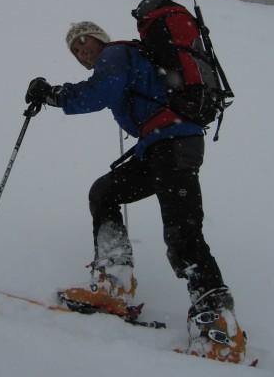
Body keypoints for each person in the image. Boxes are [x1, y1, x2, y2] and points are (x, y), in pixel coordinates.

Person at [25, 20, 246, 363]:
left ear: (101, 40)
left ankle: (219, 327)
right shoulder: (126, 58)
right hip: (161, 147)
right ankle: (114, 281)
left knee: (182, 232)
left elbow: (100, 92)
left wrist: (54, 95)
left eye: (86, 42)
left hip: (172, 144)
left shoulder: (115, 53)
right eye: (76, 49)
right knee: (105, 192)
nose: (83, 51)